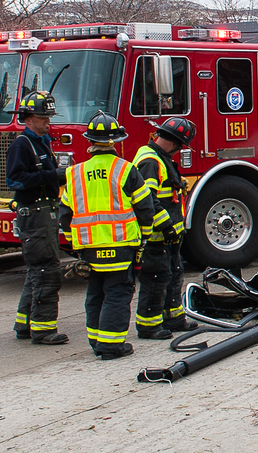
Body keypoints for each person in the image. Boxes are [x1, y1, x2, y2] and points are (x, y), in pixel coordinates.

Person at [58, 114, 157, 360]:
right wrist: (143, 239)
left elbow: (64, 214)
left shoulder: (75, 173)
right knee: (117, 292)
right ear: (116, 141)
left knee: (95, 293)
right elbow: (145, 209)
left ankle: (97, 341)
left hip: (89, 248)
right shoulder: (125, 169)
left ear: (89, 141)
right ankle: (111, 345)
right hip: (122, 245)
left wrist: (75, 244)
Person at [7, 91, 67, 345]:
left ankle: (24, 324)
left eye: (48, 117)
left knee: (36, 271)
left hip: (44, 212)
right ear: (28, 119)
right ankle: (43, 330)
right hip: (34, 213)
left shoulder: (42, 142)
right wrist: (52, 176)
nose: (47, 121)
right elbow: (16, 180)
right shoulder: (22, 144)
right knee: (48, 270)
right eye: (43, 117)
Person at [132, 116, 196, 340]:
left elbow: (164, 192)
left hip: (169, 235)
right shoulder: (150, 161)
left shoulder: (159, 158)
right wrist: (166, 226)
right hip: (158, 235)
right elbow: (148, 199)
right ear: (175, 143)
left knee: (173, 273)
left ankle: (174, 319)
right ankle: (149, 326)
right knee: (156, 277)